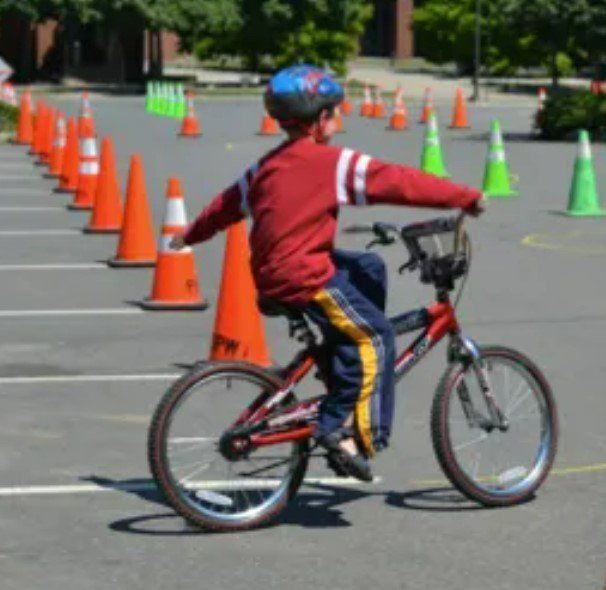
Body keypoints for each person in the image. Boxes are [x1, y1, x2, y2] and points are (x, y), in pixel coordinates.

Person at [170, 65, 485, 482]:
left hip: (272, 274)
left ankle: (346, 362)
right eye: (334, 113)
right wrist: (464, 197)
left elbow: (226, 204)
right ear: (318, 120)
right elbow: (399, 182)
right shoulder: (331, 163)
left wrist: (189, 234)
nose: (339, 121)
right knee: (377, 336)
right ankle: (354, 438)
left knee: (368, 266)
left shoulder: (266, 167)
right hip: (305, 277)